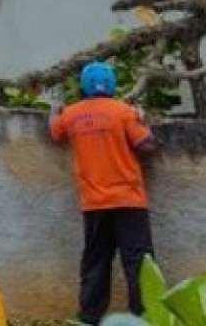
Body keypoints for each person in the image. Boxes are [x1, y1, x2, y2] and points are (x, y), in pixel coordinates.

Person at [48, 61, 158, 324]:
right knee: (139, 265)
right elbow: (147, 146)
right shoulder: (124, 111)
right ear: (112, 85)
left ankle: (89, 318)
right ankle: (144, 317)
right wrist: (144, 120)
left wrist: (54, 111)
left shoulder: (72, 115)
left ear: (84, 86)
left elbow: (55, 133)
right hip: (130, 202)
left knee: (95, 263)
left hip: (94, 204)